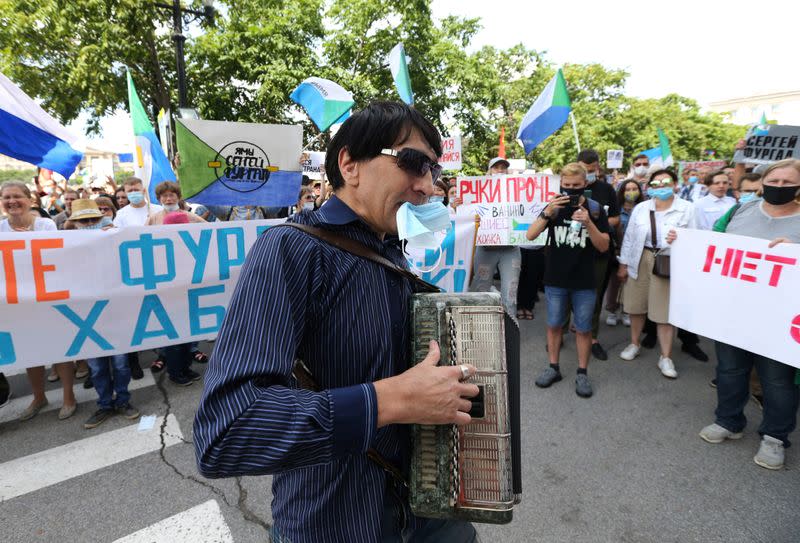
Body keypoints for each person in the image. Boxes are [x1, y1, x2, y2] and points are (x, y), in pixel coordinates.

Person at [194, 102, 481, 543]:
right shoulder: (290, 250)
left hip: (434, 513)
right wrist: (390, 400)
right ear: (350, 164)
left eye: (434, 169)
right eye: (413, 163)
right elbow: (227, 430)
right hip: (338, 523)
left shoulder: (391, 250)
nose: (428, 186)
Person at [691, 159, 800, 470]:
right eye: (774, 181)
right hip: (734, 312)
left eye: (787, 182)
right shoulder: (741, 211)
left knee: (778, 381)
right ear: (763, 181)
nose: (780, 187)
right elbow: (712, 242)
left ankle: (775, 437)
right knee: (730, 369)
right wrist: (683, 243)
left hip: (781, 318)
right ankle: (729, 420)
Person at [526, 163, 610, 398]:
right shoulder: (554, 206)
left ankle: (582, 372)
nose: (571, 190)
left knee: (583, 329)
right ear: (561, 184)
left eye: (576, 186)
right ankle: (553, 367)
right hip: (555, 279)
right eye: (567, 185)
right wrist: (547, 213)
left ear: (585, 184)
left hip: (584, 281)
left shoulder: (594, 209)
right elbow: (530, 234)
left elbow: (603, 246)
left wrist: (588, 223)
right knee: (554, 325)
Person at [0, 181, 77, 420]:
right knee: (29, 350)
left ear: (29, 200)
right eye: (6, 198)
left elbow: (54, 252)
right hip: (17, 301)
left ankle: (68, 397)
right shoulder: (1, 228)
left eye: (17, 196)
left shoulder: (44, 224)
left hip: (47, 296)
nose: (12, 201)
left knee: (59, 347)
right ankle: (39, 397)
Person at [617, 169, 695, 378]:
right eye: (656, 183)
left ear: (676, 184)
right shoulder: (642, 208)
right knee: (635, 306)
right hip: (640, 258)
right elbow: (630, 238)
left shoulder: (687, 209)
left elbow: (698, 238)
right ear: (650, 187)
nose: (661, 186)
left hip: (668, 261)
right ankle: (634, 343)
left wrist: (681, 238)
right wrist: (623, 264)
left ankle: (666, 357)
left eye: (666, 182)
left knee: (664, 312)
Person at [575, 149, 620, 360]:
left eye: (592, 170)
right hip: (572, 250)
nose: (589, 173)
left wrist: (593, 221)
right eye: (585, 169)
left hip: (599, 252)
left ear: (598, 167)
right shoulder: (565, 189)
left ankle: (592, 338)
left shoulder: (607, 189)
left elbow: (615, 219)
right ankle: (562, 332)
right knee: (566, 295)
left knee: (594, 296)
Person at [468, 156, 521, 320]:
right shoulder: (478, 192)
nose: (500, 171)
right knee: (480, 291)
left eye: (503, 168)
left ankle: (509, 334)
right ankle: (478, 327)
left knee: (510, 296)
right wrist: (458, 205)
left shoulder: (518, 191)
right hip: (485, 249)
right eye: (496, 167)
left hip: (510, 250)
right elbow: (467, 213)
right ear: (489, 171)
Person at [605, 179, 643, 326]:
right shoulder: (616, 210)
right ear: (622, 192)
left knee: (631, 283)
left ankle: (627, 311)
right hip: (618, 250)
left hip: (637, 251)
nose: (631, 192)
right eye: (627, 189)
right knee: (614, 282)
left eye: (634, 189)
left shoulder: (643, 209)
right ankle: (612, 311)